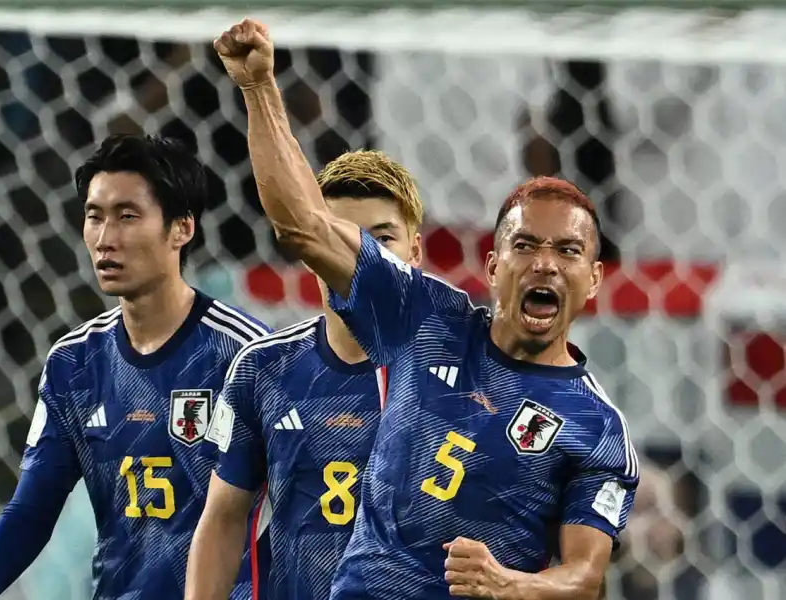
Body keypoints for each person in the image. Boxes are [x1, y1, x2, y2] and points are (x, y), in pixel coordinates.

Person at [214, 19, 640, 600]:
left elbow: (585, 578)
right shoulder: (427, 317)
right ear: (492, 266)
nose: (544, 264)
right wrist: (259, 88)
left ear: (593, 279)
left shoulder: (597, 427)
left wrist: (507, 584)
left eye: (567, 251)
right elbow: (305, 227)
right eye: (525, 246)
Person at [0, 134, 270, 600]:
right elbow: (33, 508)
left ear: (182, 228)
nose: (105, 238)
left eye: (127, 216)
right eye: (94, 216)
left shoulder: (248, 356)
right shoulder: (74, 362)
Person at [184, 149, 425, 600]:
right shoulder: (263, 369)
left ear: (416, 250)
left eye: (383, 239)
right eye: (338, 236)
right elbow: (224, 516)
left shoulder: (462, 373)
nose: (360, 257)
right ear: (311, 249)